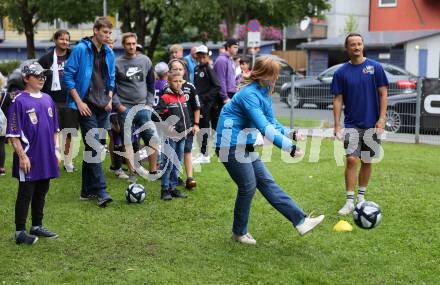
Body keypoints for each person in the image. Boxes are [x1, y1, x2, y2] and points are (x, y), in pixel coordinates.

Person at [215, 56, 325, 245]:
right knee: (248, 187)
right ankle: (239, 233)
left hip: (244, 143)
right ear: (263, 74)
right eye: (273, 74)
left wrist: (291, 133)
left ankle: (300, 221)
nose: (276, 78)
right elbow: (264, 127)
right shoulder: (249, 94)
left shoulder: (264, 91)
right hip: (229, 144)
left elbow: (272, 122)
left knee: (266, 182)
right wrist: (289, 147)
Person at [331, 33, 388, 215]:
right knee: (351, 159)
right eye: (352, 45)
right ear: (347, 48)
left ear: (363, 46)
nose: (356, 47)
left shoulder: (375, 67)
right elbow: (338, 100)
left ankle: (361, 198)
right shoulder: (341, 73)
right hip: (352, 123)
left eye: (359, 44)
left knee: (367, 159)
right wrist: (337, 125)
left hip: (372, 123)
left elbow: (383, 94)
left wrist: (381, 119)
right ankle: (349, 201)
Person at [6, 62, 60, 245]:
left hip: (46, 155)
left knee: (42, 190)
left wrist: (57, 151)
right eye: (38, 76)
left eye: (43, 76)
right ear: (26, 78)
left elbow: (55, 129)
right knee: (26, 192)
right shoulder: (18, 101)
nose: (42, 79)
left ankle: (37, 225)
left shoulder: (48, 99)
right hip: (29, 156)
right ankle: (20, 232)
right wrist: (22, 156)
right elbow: (13, 134)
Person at [64, 17, 115, 207]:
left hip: (103, 106)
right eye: (104, 32)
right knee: (94, 145)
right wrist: (78, 102)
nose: (107, 36)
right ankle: (101, 190)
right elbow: (68, 76)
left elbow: (111, 78)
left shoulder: (109, 52)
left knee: (94, 147)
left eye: (109, 33)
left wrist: (109, 98)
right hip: (85, 105)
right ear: (95, 31)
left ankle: (86, 191)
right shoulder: (80, 49)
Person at [115, 32, 158, 181]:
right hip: (124, 108)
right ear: (124, 45)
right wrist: (118, 106)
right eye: (128, 44)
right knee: (127, 141)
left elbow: (151, 83)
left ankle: (153, 171)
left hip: (143, 107)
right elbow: (111, 87)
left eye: (134, 43)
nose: (131, 46)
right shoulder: (117, 63)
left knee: (152, 138)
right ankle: (132, 172)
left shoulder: (145, 61)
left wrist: (149, 104)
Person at [38, 29, 78, 173]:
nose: (65, 42)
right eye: (62, 39)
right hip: (50, 101)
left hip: (70, 101)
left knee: (69, 133)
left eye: (67, 40)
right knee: (51, 133)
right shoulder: (45, 59)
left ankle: (68, 161)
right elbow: (38, 79)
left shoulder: (74, 56)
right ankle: (52, 159)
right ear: (55, 40)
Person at [156, 71, 192, 200]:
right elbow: (155, 115)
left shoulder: (182, 97)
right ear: (169, 83)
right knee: (168, 163)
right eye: (175, 81)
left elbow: (185, 115)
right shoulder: (165, 98)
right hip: (170, 136)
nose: (178, 84)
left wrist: (189, 127)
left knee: (178, 163)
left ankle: (173, 187)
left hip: (182, 135)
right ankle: (165, 189)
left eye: (180, 81)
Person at [169, 59, 200, 189]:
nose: (178, 71)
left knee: (187, 150)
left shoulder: (190, 87)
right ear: (170, 72)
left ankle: (189, 178)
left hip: (188, 126)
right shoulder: (167, 88)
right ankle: (174, 177)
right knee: (173, 152)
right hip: (173, 128)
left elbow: (196, 107)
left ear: (184, 71)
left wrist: (196, 124)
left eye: (180, 69)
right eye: (175, 69)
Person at [193, 45, 221, 164]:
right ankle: (203, 152)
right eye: (199, 55)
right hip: (199, 103)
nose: (201, 58)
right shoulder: (196, 68)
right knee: (200, 128)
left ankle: (205, 155)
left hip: (206, 104)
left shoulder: (208, 69)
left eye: (203, 56)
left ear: (207, 56)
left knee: (205, 128)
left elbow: (217, 86)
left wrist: (205, 98)